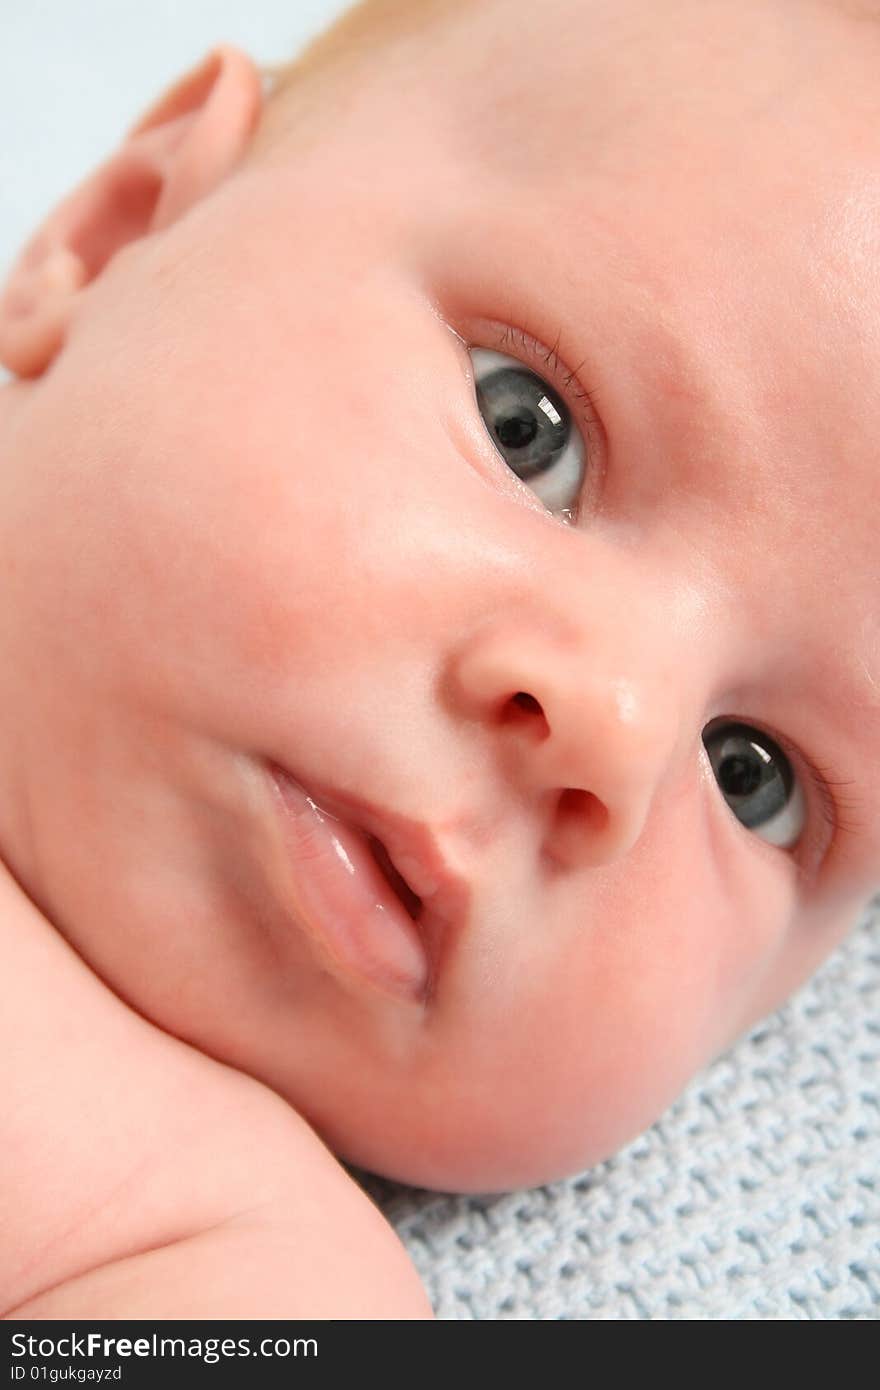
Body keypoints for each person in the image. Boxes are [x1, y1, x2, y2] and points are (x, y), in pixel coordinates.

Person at [1, 0, 878, 1318]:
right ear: (122, 229)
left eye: (756, 776)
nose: (615, 725)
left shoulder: (217, 1264)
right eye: (529, 431)